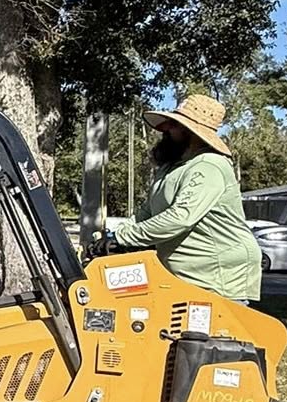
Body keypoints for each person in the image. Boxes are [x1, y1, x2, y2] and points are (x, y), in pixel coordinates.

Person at [106, 93, 262, 302]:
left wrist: (124, 238)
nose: (166, 129)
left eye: (174, 125)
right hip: (182, 275)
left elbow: (181, 217)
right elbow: (147, 212)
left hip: (216, 277)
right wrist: (115, 237)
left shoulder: (209, 166)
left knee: (203, 335)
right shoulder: (171, 168)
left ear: (192, 132)